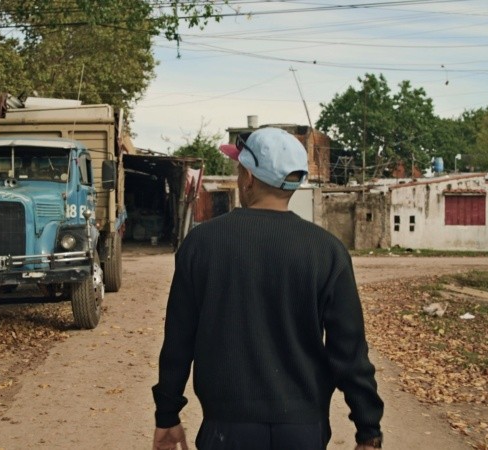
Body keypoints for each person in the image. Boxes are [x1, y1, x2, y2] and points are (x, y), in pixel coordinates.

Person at [151, 127, 384, 450]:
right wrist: (368, 429)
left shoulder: (202, 244)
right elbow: (350, 351)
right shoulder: (327, 251)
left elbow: (178, 338)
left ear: (247, 177)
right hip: (303, 430)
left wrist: (167, 414)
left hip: (226, 428)